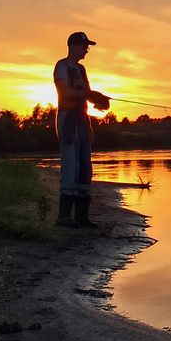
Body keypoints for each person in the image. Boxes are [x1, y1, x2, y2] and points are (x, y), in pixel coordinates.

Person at [53, 31, 110, 227]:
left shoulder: (82, 69)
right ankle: (64, 218)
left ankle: (82, 217)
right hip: (68, 119)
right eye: (84, 46)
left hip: (83, 120)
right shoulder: (61, 66)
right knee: (71, 166)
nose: (87, 50)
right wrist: (90, 94)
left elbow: (86, 96)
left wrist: (100, 100)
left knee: (85, 167)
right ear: (73, 46)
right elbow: (66, 93)